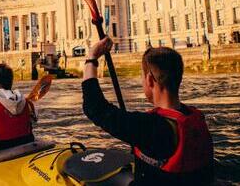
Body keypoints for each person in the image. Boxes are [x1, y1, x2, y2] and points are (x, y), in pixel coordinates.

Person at [82, 37, 214, 185]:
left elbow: (94, 107)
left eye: (142, 78)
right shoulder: (195, 118)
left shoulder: (149, 128)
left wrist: (91, 57)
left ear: (150, 80)